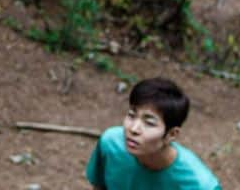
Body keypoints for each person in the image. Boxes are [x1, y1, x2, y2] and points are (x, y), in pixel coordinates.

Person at [86, 77, 221, 190]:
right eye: (132, 115)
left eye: (149, 123)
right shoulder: (111, 144)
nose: (134, 129)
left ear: (172, 134)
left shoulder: (200, 184)